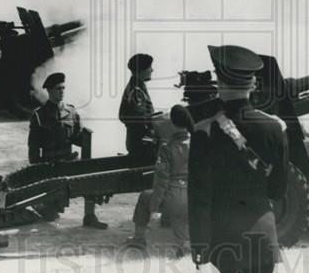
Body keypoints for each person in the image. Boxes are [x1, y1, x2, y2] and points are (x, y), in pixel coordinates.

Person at [188, 45, 289, 273]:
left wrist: (201, 255)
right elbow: (277, 190)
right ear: (253, 84)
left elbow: (199, 200)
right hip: (262, 242)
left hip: (221, 245)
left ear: (219, 84)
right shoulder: (276, 128)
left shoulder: (204, 132)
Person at [28, 73, 107, 229]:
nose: (62, 92)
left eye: (63, 88)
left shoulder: (71, 112)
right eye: (58, 89)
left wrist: (85, 137)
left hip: (69, 161)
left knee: (92, 179)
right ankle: (42, 205)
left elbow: (77, 136)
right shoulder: (39, 115)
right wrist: (36, 170)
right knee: (51, 215)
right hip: (50, 165)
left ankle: (90, 216)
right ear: (49, 91)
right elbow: (34, 146)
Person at [125, 104, 192, 255]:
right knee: (182, 214)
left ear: (173, 124)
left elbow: (161, 182)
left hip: (174, 197)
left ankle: (139, 239)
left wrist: (155, 209)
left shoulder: (167, 148)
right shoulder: (198, 144)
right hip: (194, 197)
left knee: (144, 196)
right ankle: (183, 243)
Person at [119, 53, 157, 163]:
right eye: (150, 67)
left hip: (140, 142)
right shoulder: (136, 91)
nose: (152, 70)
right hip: (142, 144)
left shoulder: (137, 86)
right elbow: (141, 119)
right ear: (141, 70)